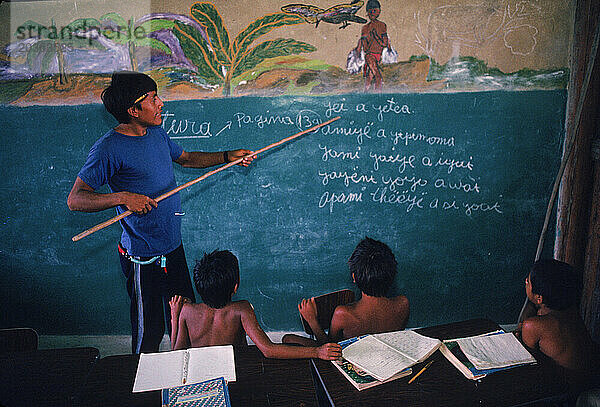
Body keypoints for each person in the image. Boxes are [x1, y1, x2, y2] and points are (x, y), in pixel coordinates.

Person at [67, 71, 255, 354]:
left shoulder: (156, 133)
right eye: (153, 99)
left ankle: (189, 388)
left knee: (187, 319)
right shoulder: (108, 149)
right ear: (133, 110)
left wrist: (227, 156)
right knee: (149, 331)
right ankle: (143, 390)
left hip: (172, 249)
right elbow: (75, 199)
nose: (161, 104)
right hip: (144, 257)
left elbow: (188, 159)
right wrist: (123, 197)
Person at [169, 250, 342, 361]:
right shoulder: (241, 310)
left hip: (202, 372)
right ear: (235, 287)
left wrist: (174, 317)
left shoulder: (186, 311)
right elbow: (268, 350)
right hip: (235, 370)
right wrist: (317, 352)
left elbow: (176, 355)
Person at [283, 237, 409, 346]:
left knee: (287, 339)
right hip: (383, 353)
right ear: (392, 276)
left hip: (353, 359)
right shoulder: (403, 304)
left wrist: (312, 320)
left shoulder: (343, 314)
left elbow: (329, 347)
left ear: (354, 277)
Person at [517, 259, 599, 398]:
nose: (525, 280)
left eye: (528, 282)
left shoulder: (533, 326)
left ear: (539, 298)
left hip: (569, 392)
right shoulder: (571, 310)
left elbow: (526, 358)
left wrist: (531, 302)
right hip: (589, 378)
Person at [356, 0, 389, 91]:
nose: (372, 13)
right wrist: (364, 42)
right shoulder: (365, 28)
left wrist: (375, 37)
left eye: (374, 10)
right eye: (369, 11)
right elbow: (365, 48)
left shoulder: (382, 26)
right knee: (378, 77)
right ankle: (378, 97)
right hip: (370, 56)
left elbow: (384, 44)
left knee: (369, 79)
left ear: (379, 11)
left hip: (378, 56)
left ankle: (366, 95)